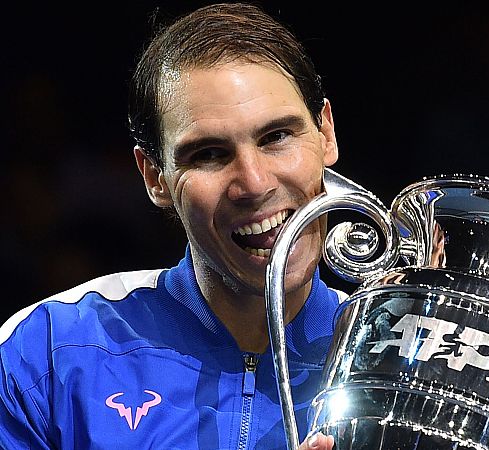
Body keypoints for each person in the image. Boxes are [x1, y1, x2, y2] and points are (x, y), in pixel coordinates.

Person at [0, 3, 340, 449]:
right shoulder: (50, 351)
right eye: (209, 154)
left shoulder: (399, 363)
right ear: (155, 177)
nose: (255, 184)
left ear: (326, 133)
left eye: (276, 136)